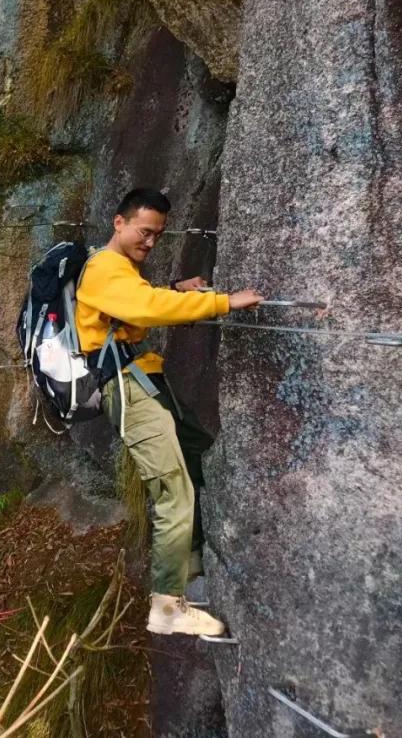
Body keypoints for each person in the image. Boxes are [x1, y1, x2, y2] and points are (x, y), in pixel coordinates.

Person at [75, 188, 263, 635]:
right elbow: (145, 308)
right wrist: (223, 302)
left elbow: (133, 306)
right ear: (119, 223)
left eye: (158, 234)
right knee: (171, 489)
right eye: (144, 231)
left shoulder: (121, 271)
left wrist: (176, 290)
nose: (151, 242)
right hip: (128, 388)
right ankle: (167, 607)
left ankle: (192, 559)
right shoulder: (103, 267)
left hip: (144, 381)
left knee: (196, 448)